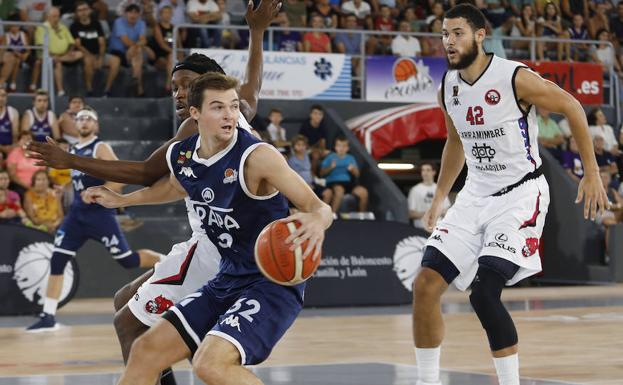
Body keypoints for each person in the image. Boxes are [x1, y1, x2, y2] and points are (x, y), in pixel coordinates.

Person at [26, 3, 280, 384]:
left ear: (206, 86)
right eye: (174, 86)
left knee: (128, 322)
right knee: (126, 307)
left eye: (184, 86)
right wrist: (257, 33)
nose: (176, 93)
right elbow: (253, 85)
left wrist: (70, 160)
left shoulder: (195, 129)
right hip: (215, 242)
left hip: (219, 252)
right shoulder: (236, 109)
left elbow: (146, 172)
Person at [86, 71, 332, 385]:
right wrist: (121, 199)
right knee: (145, 350)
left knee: (209, 364)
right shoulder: (183, 155)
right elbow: (174, 188)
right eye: (218, 107)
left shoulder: (257, 157)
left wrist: (317, 220)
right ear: (195, 113)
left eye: (233, 106)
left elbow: (319, 207)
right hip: (226, 278)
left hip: (269, 283)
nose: (229, 115)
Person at [412, 4, 607, 385]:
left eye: (457, 33)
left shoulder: (514, 78)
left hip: (520, 195)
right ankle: (426, 381)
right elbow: (455, 141)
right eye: (444, 35)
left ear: (480, 35)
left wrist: (592, 172)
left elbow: (571, 106)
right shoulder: (447, 87)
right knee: (424, 285)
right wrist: (440, 197)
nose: (448, 42)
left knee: (484, 295)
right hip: (474, 195)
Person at [26, 107, 162, 332]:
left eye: (89, 118)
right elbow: (78, 181)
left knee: (127, 260)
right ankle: (48, 316)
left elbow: (120, 178)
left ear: (96, 125)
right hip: (77, 215)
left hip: (100, 215)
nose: (84, 122)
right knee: (57, 260)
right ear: (75, 124)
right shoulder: (71, 150)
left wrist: (101, 191)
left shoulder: (100, 147)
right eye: (80, 119)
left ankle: (165, 261)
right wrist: (63, 189)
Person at [71, 1, 121, 96]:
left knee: (116, 61)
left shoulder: (96, 24)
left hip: (99, 54)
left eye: (85, 9)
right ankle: (89, 89)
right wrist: (91, 56)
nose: (83, 12)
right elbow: (78, 45)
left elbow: (102, 43)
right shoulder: (74, 26)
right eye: (80, 10)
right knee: (88, 61)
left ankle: (107, 90)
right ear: (77, 13)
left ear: (89, 10)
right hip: (84, 55)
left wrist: (101, 57)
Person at [33, 7, 84, 96]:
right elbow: (41, 45)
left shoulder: (63, 27)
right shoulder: (42, 28)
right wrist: (52, 55)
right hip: (46, 55)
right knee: (58, 64)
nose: (56, 19)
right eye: (54, 16)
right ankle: (60, 90)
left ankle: (59, 59)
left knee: (79, 54)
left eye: (57, 16)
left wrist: (69, 51)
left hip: (63, 55)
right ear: (48, 17)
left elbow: (71, 43)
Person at [108, 4, 150, 96]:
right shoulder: (118, 22)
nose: (133, 15)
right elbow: (125, 41)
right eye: (130, 12)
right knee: (137, 51)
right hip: (117, 52)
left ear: (139, 14)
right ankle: (139, 87)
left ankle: (135, 79)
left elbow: (143, 40)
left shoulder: (141, 23)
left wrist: (137, 46)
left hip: (133, 53)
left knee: (137, 52)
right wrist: (137, 45)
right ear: (125, 14)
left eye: (136, 13)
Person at [320, 135, 368, 213]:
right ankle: (333, 215)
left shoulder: (351, 158)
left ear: (347, 148)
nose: (341, 149)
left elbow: (357, 174)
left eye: (344, 146)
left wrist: (353, 170)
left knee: (363, 192)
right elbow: (321, 173)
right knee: (339, 190)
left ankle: (362, 216)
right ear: (335, 147)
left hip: (348, 183)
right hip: (333, 183)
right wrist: (330, 167)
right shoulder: (330, 157)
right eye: (339, 146)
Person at [408, 163, 450, 230]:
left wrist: (435, 213)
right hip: (421, 229)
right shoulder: (415, 190)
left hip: (438, 228)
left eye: (428, 170)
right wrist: (428, 214)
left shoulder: (440, 189)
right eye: (423, 170)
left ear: (434, 172)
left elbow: (447, 210)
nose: (425, 173)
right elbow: (411, 213)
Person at [7, 131, 45, 196]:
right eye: (23, 138)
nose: (26, 141)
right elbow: (12, 176)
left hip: (37, 184)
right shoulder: (14, 153)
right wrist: (28, 187)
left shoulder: (38, 154)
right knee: (22, 192)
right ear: (19, 142)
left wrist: (37, 185)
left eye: (29, 139)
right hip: (19, 185)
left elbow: (43, 173)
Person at [0, 13, 30, 92]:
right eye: (14, 25)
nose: (16, 27)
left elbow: (28, 51)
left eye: (17, 25)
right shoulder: (5, 36)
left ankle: (4, 83)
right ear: (10, 25)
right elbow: (2, 51)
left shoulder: (23, 35)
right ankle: (12, 84)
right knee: (14, 59)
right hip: (11, 59)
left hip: (23, 59)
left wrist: (22, 56)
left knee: (16, 59)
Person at [0, 87, 20, 155]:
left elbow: (15, 136)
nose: (1, 99)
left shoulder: (13, 112)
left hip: (10, 148)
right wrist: (2, 148)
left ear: (6, 97)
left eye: (3, 95)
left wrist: (13, 148)